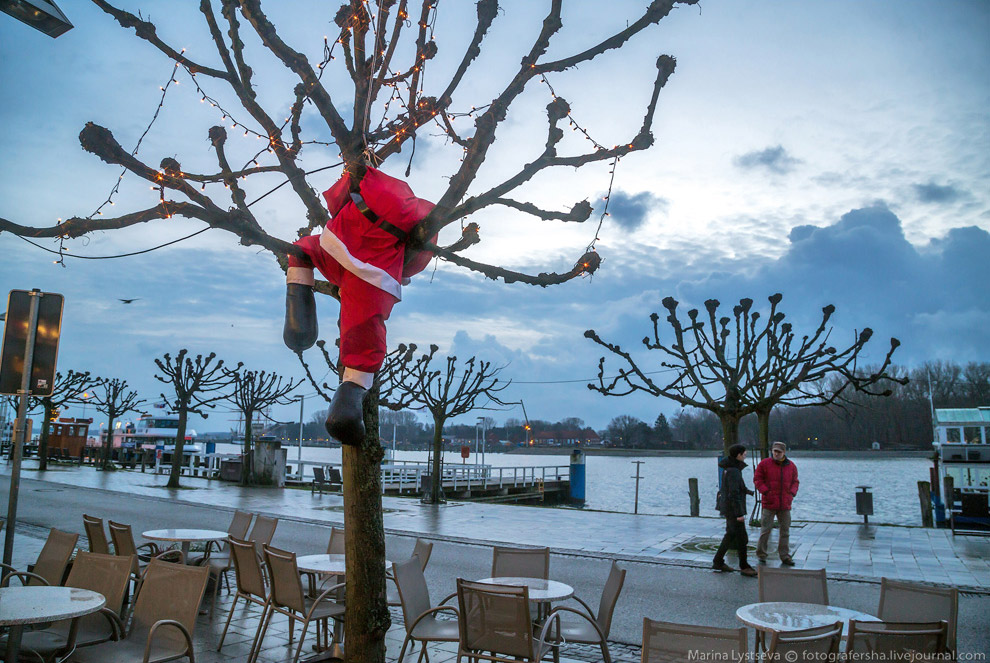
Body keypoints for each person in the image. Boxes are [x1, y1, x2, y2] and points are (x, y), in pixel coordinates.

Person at [282, 167, 435, 445]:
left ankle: (298, 309)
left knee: (303, 250)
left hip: (337, 246)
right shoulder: (411, 212)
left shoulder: (367, 185)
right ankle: (349, 399)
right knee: (363, 331)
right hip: (374, 271)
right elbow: (422, 251)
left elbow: (337, 198)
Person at [713, 444, 757, 577]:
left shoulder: (730, 468)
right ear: (738, 455)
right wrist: (739, 514)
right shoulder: (734, 471)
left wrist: (749, 492)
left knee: (730, 535)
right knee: (742, 538)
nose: (745, 455)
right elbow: (733, 493)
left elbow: (735, 488)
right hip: (733, 510)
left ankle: (718, 561)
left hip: (728, 508)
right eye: (744, 453)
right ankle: (744, 566)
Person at [754, 440, 799, 565]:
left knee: (785, 530)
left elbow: (795, 481)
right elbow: (757, 479)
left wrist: (792, 493)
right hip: (769, 502)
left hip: (785, 503)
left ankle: (785, 555)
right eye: (775, 451)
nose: (776, 454)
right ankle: (761, 554)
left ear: (784, 452)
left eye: (779, 452)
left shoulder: (791, 466)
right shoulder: (764, 464)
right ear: (772, 451)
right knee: (765, 530)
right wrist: (766, 492)